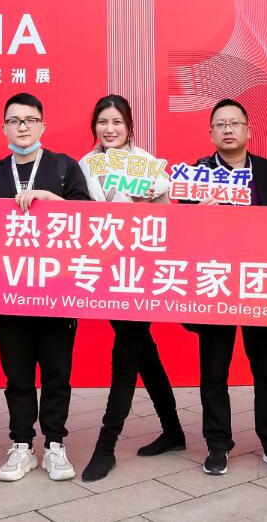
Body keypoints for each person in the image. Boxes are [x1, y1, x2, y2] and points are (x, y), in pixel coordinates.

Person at [0, 92, 91, 483]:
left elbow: (88, 221)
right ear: (4, 127)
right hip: (10, 294)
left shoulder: (64, 168)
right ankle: (22, 445)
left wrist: (50, 198)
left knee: (57, 373)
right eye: (14, 121)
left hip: (57, 292)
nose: (22, 127)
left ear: (42, 125)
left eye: (29, 120)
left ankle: (55, 444)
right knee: (17, 376)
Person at [183, 98, 267, 477]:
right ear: (211, 134)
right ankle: (217, 445)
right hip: (215, 283)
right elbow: (176, 230)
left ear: (249, 130)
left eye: (235, 123)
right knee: (214, 371)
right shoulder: (196, 174)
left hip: (258, 284)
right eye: (221, 124)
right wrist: (194, 215)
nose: (228, 129)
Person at [78, 94, 185, 482]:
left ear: (129, 127)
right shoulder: (84, 165)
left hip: (141, 272)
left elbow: (169, 217)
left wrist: (148, 201)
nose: (109, 129)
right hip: (106, 270)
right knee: (144, 352)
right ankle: (173, 431)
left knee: (126, 354)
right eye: (102, 122)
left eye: (117, 122)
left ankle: (105, 447)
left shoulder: (149, 165)